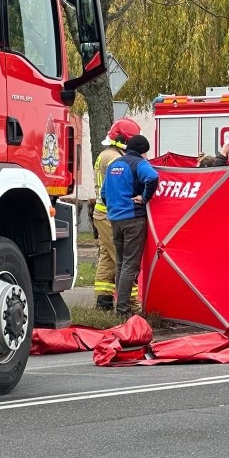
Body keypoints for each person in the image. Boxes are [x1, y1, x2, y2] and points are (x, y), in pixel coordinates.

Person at [101, 135, 160, 317]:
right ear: (143, 150)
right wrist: (144, 197)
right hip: (133, 219)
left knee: (120, 264)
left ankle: (120, 308)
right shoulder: (139, 163)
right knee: (130, 266)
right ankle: (123, 310)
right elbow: (152, 177)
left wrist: (115, 207)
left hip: (115, 219)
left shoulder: (114, 165)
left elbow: (104, 193)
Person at [92, 118, 140, 312]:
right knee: (124, 260)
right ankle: (131, 305)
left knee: (107, 258)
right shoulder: (115, 159)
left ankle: (103, 303)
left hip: (101, 214)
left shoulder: (105, 154)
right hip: (112, 215)